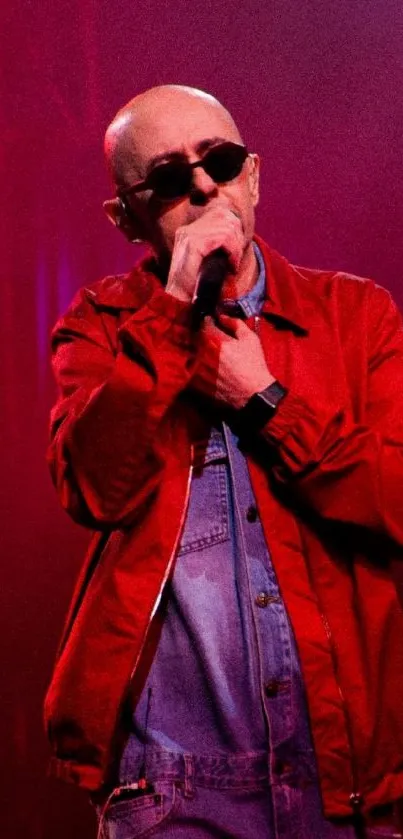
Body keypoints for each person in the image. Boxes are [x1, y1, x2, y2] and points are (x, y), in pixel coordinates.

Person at [44, 84, 403, 839]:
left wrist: (264, 399)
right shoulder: (101, 328)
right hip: (174, 782)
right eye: (171, 178)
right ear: (128, 217)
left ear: (253, 177)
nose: (204, 186)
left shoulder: (355, 316)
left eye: (221, 160)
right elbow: (92, 489)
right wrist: (172, 315)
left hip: (343, 779)